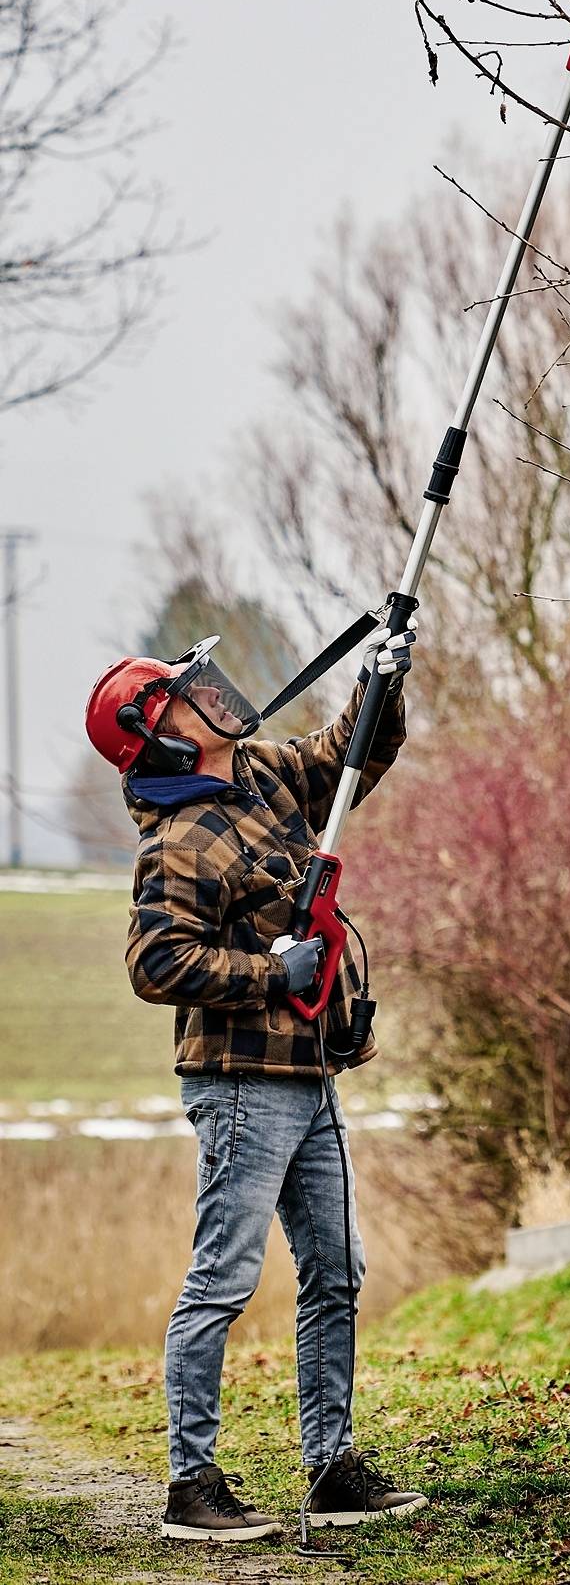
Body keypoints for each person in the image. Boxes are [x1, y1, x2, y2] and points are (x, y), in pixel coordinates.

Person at [84, 627, 427, 1542]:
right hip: (240, 1083)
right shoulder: (178, 841)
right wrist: (273, 973)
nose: (216, 695)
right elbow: (156, 963)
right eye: (189, 696)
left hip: (309, 1072)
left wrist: (382, 682)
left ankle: (332, 1469)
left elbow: (350, 757)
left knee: (337, 1271)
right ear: (162, 736)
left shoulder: (264, 774)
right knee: (223, 1280)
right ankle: (190, 1487)